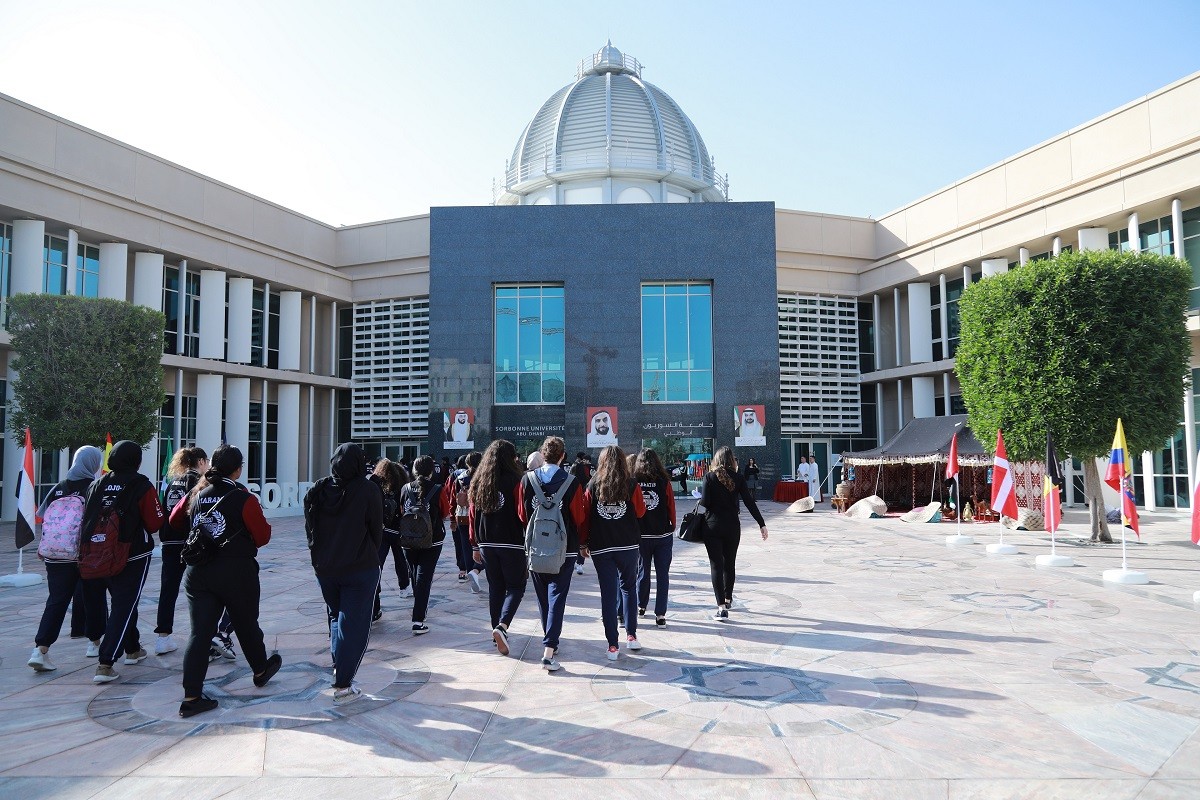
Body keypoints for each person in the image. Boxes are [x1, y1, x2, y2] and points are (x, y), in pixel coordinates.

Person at [170, 444, 280, 718]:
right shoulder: (243, 497)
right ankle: (260, 669)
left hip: (198, 572)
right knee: (245, 623)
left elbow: (175, 521)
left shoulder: (198, 494)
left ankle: (192, 696)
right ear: (238, 469)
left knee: (199, 633)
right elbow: (263, 536)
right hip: (234, 570)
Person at [304, 443, 384, 704]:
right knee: (355, 626)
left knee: (337, 619)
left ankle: (341, 668)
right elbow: (376, 530)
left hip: (326, 569)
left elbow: (310, 529)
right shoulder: (368, 490)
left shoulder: (318, 489)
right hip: (359, 568)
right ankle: (343, 684)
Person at [81, 440, 165, 684]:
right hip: (131, 554)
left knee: (125, 603)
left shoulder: (97, 484)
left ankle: (132, 648)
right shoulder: (141, 485)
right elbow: (155, 522)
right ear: (136, 460)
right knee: (124, 605)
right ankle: (106, 663)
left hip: (95, 553)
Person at [27, 446, 108, 673]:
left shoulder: (58, 488)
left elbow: (43, 517)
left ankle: (40, 650)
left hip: (55, 554)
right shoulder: (94, 488)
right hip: (83, 554)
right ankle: (94, 643)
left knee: (57, 600)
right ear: (93, 464)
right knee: (94, 597)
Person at [517, 436, 587, 671]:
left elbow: (522, 514)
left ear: (542, 454)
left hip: (536, 546)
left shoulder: (527, 480)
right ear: (562, 456)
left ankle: (550, 640)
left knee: (542, 595)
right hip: (565, 548)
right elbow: (578, 516)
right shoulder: (572, 482)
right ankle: (549, 648)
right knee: (557, 595)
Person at [580, 445, 646, 661]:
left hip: (602, 546)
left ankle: (612, 646)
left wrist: (583, 544)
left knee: (608, 595)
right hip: (628, 545)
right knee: (629, 589)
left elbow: (585, 516)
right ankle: (632, 635)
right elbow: (640, 511)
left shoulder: (593, 484)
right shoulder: (631, 483)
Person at [468, 439, 526, 656]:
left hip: (486, 543)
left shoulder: (480, 481)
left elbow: (473, 516)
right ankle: (502, 626)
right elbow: (523, 513)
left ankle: (496, 630)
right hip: (511, 541)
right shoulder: (516, 481)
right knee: (516, 586)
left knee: (496, 587)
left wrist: (474, 544)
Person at [700, 446, 768, 620]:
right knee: (729, 563)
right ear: (731, 460)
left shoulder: (709, 477)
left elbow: (705, 503)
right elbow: (749, 502)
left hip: (712, 526)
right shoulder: (738, 478)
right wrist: (761, 523)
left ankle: (721, 607)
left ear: (717, 460)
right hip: (732, 527)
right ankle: (728, 598)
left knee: (716, 565)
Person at [155, 446, 208, 656]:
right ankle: (205, 635)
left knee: (167, 589)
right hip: (189, 543)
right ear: (201, 462)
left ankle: (163, 637)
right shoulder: (198, 482)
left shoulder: (172, 483)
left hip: (169, 541)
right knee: (201, 590)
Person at [399, 455, 451, 634]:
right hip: (432, 539)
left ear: (413, 470)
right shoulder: (438, 489)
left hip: (408, 539)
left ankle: (420, 610)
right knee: (424, 578)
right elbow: (445, 512)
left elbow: (401, 510)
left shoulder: (405, 488)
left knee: (415, 575)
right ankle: (418, 619)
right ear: (431, 471)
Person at [634, 448, 676, 628]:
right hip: (662, 534)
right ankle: (660, 614)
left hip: (642, 535)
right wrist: (672, 525)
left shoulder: (634, 481)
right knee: (662, 575)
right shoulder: (664, 481)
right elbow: (670, 506)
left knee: (642, 573)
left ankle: (641, 606)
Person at [372, 459, 410, 621]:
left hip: (382, 531)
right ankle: (404, 587)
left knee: (377, 563)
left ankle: (376, 593)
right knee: (400, 559)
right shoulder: (402, 488)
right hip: (397, 531)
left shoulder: (377, 488)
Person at [449, 451, 484, 591]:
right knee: (485, 546)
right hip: (480, 516)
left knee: (466, 547)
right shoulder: (484, 477)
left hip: (463, 517)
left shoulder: (460, 478)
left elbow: (453, 499)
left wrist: (452, 518)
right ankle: (477, 570)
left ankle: (471, 575)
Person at [568, 453, 593, 574]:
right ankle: (580, 563)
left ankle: (573, 561)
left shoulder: (568, 483)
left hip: (570, 515)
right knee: (581, 537)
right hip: (581, 513)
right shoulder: (587, 483)